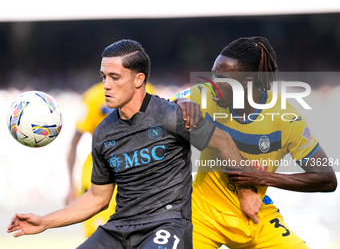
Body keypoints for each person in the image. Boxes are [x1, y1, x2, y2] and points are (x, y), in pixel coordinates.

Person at [7, 39, 261, 249]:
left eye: (115, 77)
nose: (106, 85)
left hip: (167, 226)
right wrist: (44, 222)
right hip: (119, 229)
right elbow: (98, 198)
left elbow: (224, 142)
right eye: (104, 76)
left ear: (138, 80)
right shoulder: (103, 133)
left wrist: (246, 192)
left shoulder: (173, 115)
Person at [173, 36, 337, 249]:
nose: (212, 82)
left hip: (255, 215)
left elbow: (326, 179)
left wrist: (263, 177)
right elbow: (159, 109)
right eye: (213, 73)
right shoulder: (204, 95)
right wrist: (181, 101)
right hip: (203, 214)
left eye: (221, 77)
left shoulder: (285, 118)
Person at [66, 81, 156, 237]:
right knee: (100, 240)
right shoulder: (93, 97)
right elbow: (74, 143)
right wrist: (71, 186)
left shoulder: (150, 92)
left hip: (136, 180)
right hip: (99, 181)